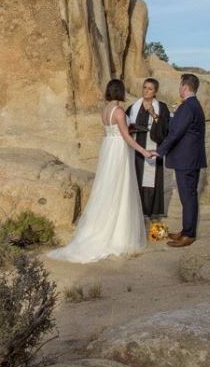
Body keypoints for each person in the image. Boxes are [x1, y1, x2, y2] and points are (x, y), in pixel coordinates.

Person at [48, 79, 154, 263]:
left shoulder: (105, 110)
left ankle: (101, 226)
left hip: (109, 148)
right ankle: (118, 236)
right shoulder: (119, 111)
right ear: (119, 92)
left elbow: (114, 130)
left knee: (108, 187)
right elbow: (126, 137)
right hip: (119, 150)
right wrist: (143, 150)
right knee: (120, 188)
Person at [156, 73, 207, 247]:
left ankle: (189, 235)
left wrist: (160, 151)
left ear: (185, 88)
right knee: (189, 196)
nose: (179, 89)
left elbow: (176, 132)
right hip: (192, 159)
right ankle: (186, 230)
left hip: (186, 160)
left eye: (180, 86)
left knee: (188, 197)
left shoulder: (187, 107)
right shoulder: (195, 105)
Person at [126, 78, 171, 220]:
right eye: (144, 87)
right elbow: (126, 126)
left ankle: (152, 214)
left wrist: (153, 113)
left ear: (155, 91)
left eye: (150, 88)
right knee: (137, 179)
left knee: (153, 182)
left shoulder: (162, 107)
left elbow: (165, 129)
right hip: (138, 149)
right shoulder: (133, 107)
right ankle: (138, 214)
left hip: (154, 148)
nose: (146, 90)